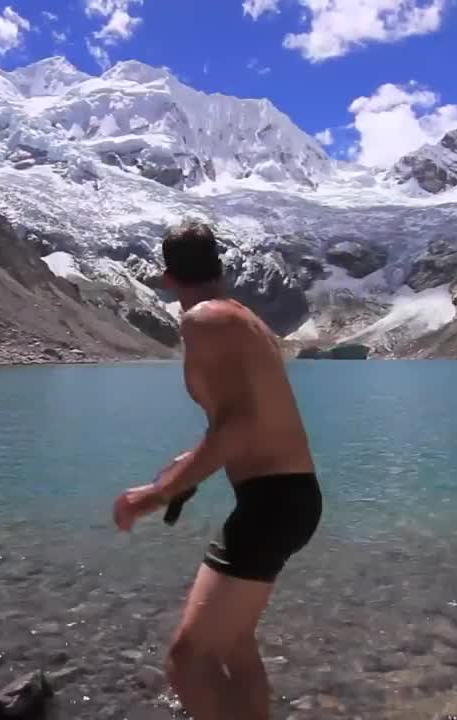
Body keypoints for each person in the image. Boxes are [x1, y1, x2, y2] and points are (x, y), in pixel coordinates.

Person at [112, 219, 323, 720]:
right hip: (291, 496)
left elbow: (239, 425)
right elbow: (241, 419)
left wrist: (156, 495)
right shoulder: (246, 320)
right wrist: (185, 469)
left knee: (188, 659)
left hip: (270, 503)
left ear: (166, 278)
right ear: (220, 270)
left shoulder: (203, 320)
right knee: (232, 643)